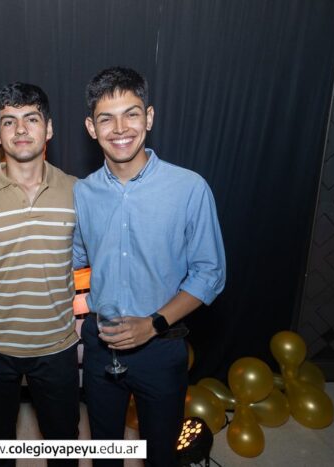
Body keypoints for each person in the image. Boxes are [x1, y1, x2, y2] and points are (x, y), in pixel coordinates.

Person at [73, 67, 226, 466]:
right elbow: (73, 259)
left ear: (150, 117)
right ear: (91, 127)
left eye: (132, 114)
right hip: (101, 346)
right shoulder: (83, 193)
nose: (120, 128)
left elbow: (210, 274)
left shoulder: (189, 188)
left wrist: (154, 323)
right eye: (106, 118)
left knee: (161, 455)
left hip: (162, 347)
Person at [0, 82, 80, 467]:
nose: (20, 129)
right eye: (9, 121)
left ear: (49, 128)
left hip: (57, 346)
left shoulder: (78, 192)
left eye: (31, 119)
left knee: (64, 446)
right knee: (0, 443)